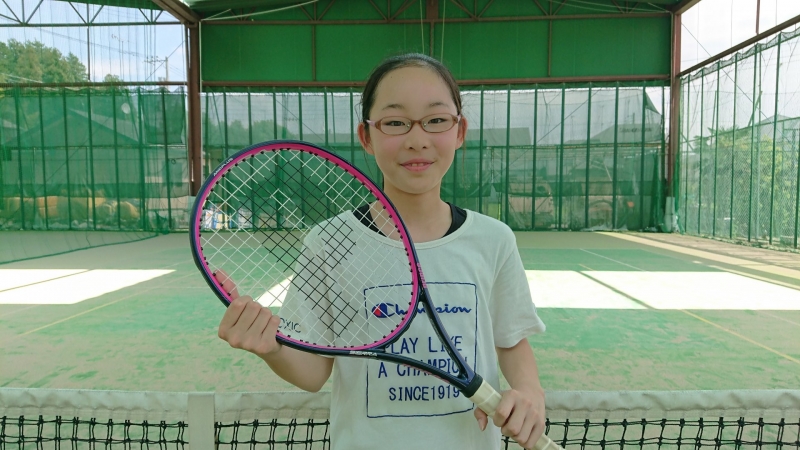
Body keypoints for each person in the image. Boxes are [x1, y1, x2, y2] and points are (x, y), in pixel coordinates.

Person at [216, 53, 547, 450]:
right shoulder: (328, 242)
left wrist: (529, 392)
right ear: (366, 137)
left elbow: (510, 340)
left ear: (460, 132)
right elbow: (313, 371)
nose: (417, 138)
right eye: (395, 122)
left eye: (437, 119)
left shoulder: (494, 239)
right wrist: (270, 346)